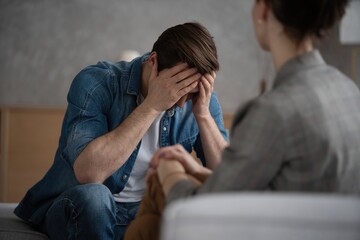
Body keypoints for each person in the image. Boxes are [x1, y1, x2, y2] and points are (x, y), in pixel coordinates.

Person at [124, 0, 360, 239]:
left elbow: (214, 206)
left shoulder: (273, 111)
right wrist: (197, 169)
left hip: (269, 228)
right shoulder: (348, 90)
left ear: (264, 10)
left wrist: (169, 170)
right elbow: (272, 188)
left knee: (155, 199)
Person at [14, 22, 229, 240]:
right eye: (178, 89)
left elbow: (230, 178)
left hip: (145, 212)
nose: (183, 103)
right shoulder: (96, 83)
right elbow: (89, 173)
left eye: (191, 94)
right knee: (95, 197)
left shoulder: (202, 100)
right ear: (153, 62)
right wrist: (152, 106)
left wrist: (203, 115)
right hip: (82, 208)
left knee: (192, 205)